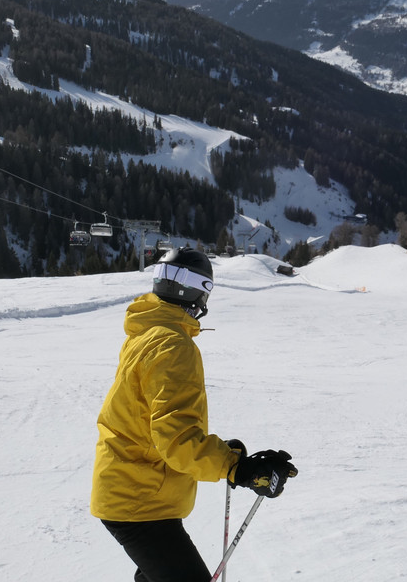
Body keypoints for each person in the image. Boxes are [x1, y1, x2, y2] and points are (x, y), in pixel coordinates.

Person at [91, 246, 298, 582]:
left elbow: (150, 419)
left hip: (133, 491)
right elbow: (175, 439)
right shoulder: (173, 345)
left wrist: (223, 454)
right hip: (140, 502)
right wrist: (237, 468)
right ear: (198, 291)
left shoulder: (147, 333)